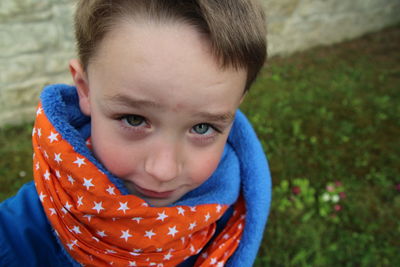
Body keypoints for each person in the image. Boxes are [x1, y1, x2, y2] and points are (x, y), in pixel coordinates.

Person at [0, 0, 272, 266]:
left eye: (202, 127)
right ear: (85, 89)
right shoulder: (20, 236)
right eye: (134, 119)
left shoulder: (230, 215)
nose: (163, 171)